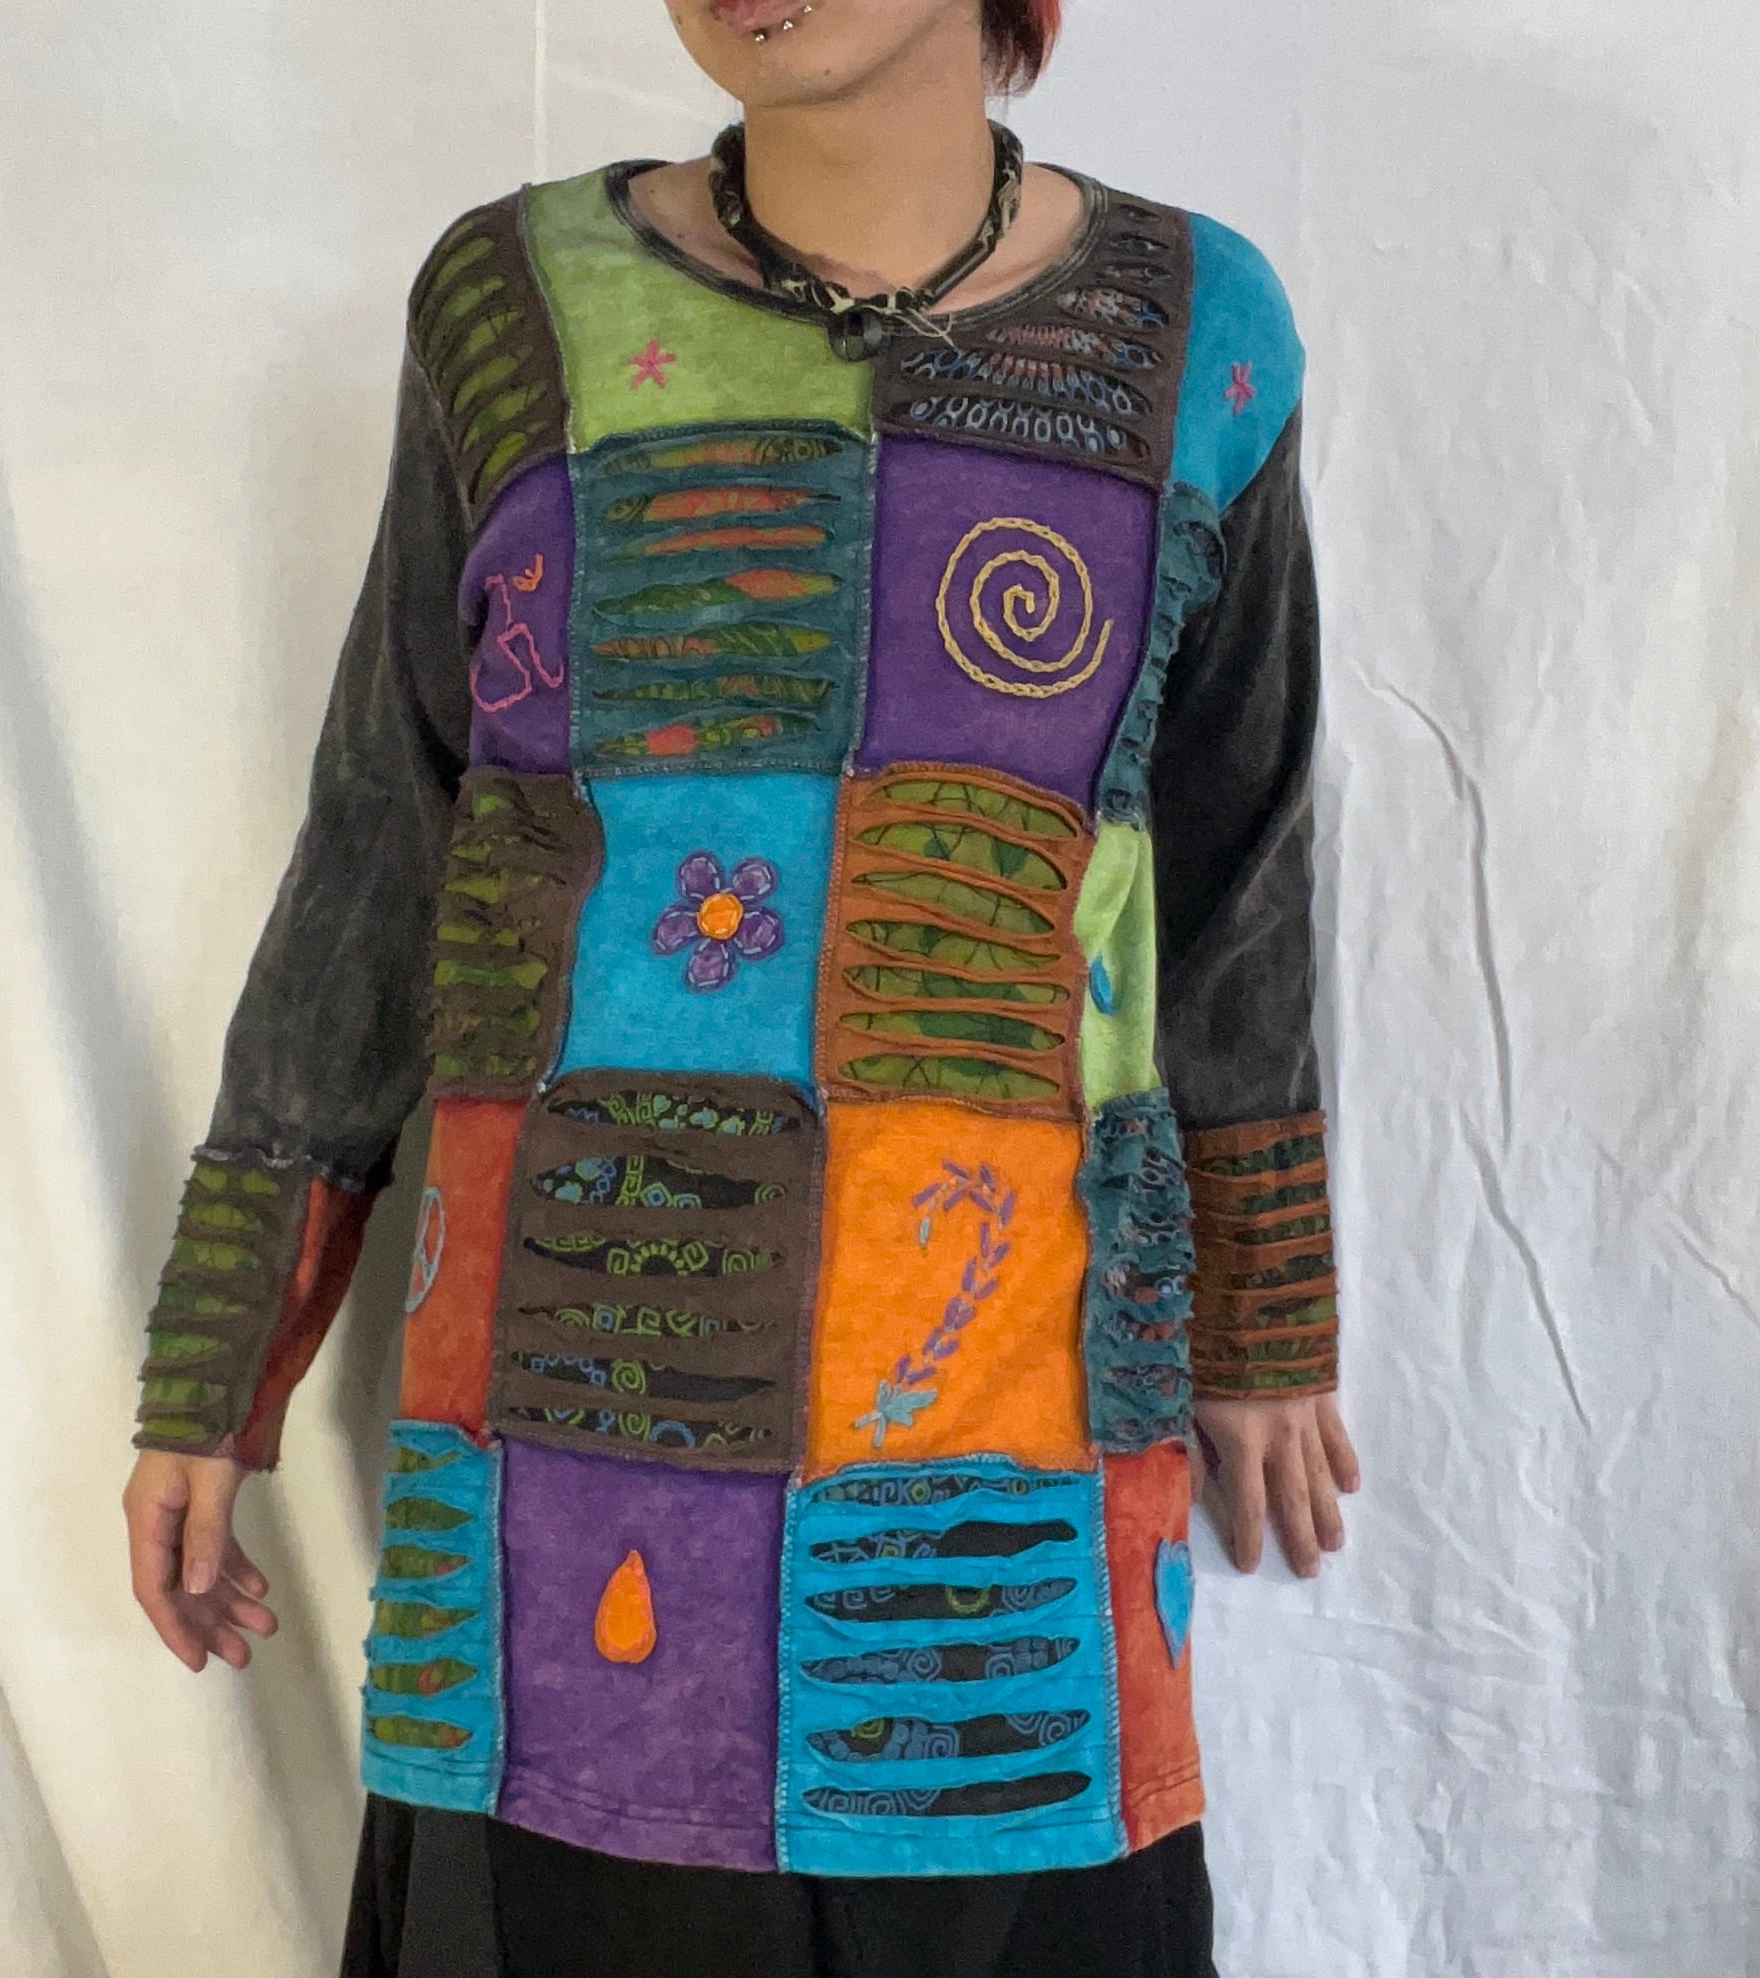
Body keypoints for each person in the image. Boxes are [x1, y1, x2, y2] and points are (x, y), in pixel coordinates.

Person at [122, 0, 1362, 1970]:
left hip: (1007, 1433)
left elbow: (1233, 861)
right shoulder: (516, 305)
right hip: (561, 1420)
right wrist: (221, 1356)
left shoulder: (1194, 336)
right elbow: (388, 833)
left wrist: (1264, 1318)